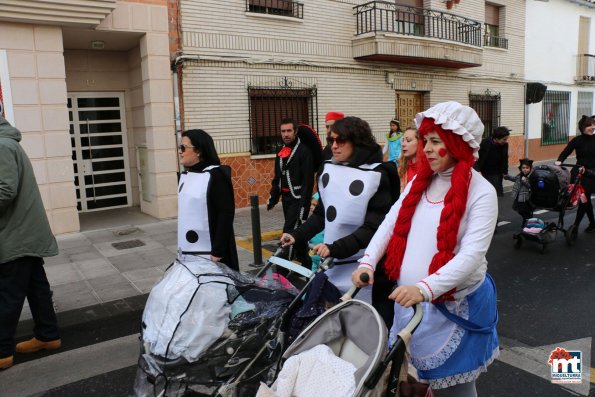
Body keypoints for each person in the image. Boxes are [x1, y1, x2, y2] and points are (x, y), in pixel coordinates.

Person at [353, 102, 499, 396]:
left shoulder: (482, 192)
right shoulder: (419, 183)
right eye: (425, 141)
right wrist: (367, 262)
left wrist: (424, 288)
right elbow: (390, 224)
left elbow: (471, 256)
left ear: (457, 145)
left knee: (458, 388)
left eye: (436, 142)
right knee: (415, 379)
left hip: (454, 309)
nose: (427, 149)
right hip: (413, 306)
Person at [280, 116, 396, 321]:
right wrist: (297, 235)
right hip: (331, 265)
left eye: (340, 141)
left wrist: (335, 248)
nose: (334, 146)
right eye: (331, 140)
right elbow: (321, 215)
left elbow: (372, 228)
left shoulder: (377, 176)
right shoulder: (329, 169)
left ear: (357, 141)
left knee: (359, 324)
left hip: (361, 269)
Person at [0, 116, 61, 370]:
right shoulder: (7, 143)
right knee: (36, 287)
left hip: (17, 233)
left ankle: (2, 351)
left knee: (8, 293)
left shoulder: (2, 146)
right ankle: (48, 336)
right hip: (25, 230)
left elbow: (4, 190)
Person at [178, 129, 239, 270]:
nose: (180, 151)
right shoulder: (188, 175)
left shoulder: (216, 176)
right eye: (179, 147)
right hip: (190, 251)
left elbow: (226, 214)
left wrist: (218, 251)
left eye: (183, 148)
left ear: (199, 151)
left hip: (211, 253)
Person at [267, 118, 315, 267]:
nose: (286, 134)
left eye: (289, 131)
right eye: (283, 131)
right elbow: (278, 178)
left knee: (288, 233)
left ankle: (281, 269)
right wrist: (273, 198)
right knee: (297, 235)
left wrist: (303, 209)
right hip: (286, 201)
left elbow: (308, 183)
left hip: (298, 200)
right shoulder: (281, 152)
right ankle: (307, 264)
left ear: (295, 132)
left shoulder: (304, 152)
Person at [554, 115, 595, 233]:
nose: (593, 127)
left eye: (593, 125)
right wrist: (559, 161)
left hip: (592, 173)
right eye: (589, 125)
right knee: (584, 199)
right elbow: (566, 151)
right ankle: (592, 223)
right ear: (582, 127)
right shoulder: (577, 140)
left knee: (584, 198)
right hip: (578, 171)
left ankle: (575, 226)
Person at [475, 126, 511, 196]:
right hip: (484, 173)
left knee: (494, 193)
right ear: (497, 138)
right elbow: (476, 157)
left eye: (506, 139)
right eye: (504, 139)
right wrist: (478, 170)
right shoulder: (485, 143)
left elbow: (505, 159)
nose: (505, 141)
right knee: (484, 193)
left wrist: (505, 172)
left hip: (496, 174)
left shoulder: (504, 145)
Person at [507, 158, 534, 228]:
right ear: (521, 168)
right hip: (519, 197)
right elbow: (515, 179)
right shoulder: (520, 175)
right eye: (523, 168)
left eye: (527, 168)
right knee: (519, 210)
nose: (525, 169)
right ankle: (527, 219)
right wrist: (507, 177)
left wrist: (525, 181)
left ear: (530, 168)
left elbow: (531, 187)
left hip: (527, 198)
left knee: (525, 211)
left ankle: (527, 222)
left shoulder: (532, 176)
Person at [397, 127, 420, 192]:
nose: (403, 144)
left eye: (408, 140)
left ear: (420, 142)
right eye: (403, 141)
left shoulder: (429, 170)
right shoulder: (402, 168)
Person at [307, 193, 325, 272]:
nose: (311, 207)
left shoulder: (326, 224)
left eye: (314, 205)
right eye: (311, 204)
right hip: (313, 258)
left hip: (323, 261)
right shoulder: (312, 221)